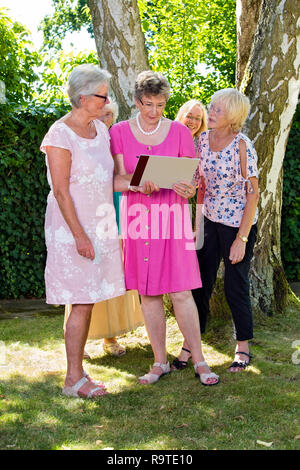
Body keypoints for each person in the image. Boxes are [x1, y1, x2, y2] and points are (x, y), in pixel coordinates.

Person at [109, 70, 219, 386]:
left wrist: (186, 189)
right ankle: (159, 362)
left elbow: (190, 179)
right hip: (139, 220)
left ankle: (198, 359)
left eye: (159, 104)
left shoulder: (180, 133)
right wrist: (137, 183)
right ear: (136, 101)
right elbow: (116, 180)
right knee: (149, 293)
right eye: (147, 104)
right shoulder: (118, 133)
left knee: (182, 291)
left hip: (172, 218)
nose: (154, 111)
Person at [41, 64, 127, 399]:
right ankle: (72, 381)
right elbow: (61, 191)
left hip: (99, 226)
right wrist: (79, 236)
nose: (107, 103)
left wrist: (143, 183)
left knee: (87, 301)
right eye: (102, 96)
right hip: (72, 230)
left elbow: (111, 180)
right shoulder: (59, 134)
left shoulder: (101, 131)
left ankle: (78, 374)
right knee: (80, 301)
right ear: (82, 97)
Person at [64, 98, 144, 358]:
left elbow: (132, 171)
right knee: (83, 279)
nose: (104, 119)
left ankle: (110, 337)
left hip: (116, 214)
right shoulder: (79, 141)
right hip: (88, 216)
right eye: (102, 114)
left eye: (109, 115)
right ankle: (81, 343)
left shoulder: (115, 142)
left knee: (111, 275)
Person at [186, 88, 259, 372]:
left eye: (218, 110)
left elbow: (253, 194)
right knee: (199, 282)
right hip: (208, 220)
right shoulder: (201, 140)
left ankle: (243, 346)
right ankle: (192, 343)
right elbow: (194, 181)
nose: (210, 112)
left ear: (233, 117)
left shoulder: (242, 145)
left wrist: (241, 239)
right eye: (211, 107)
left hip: (237, 224)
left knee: (234, 286)